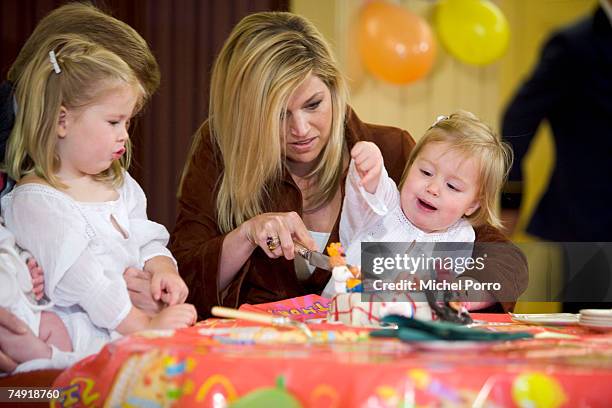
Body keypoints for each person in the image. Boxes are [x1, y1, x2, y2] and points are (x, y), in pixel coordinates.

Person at [171, 11, 528, 319]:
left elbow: (503, 260)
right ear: (246, 115)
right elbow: (182, 277)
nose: (301, 129)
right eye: (278, 114)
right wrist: (247, 235)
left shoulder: (391, 151)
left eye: (313, 104)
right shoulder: (220, 154)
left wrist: (457, 292)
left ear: (334, 91)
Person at [1, 34, 197, 364]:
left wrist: (163, 270)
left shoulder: (120, 182)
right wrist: (147, 326)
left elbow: (147, 238)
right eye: (113, 121)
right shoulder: (35, 201)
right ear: (62, 121)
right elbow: (88, 285)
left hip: (131, 328)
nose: (124, 134)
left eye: (128, 122)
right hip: (84, 343)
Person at [325, 112, 512, 309]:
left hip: (401, 327)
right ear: (410, 165)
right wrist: (369, 160)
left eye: (452, 186)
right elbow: (370, 187)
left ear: (473, 204)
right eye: (426, 172)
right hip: (340, 315)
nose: (433, 188)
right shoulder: (386, 204)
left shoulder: (460, 236)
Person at [501, 0, 612, 311]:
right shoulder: (574, 45)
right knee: (589, 330)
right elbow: (517, 120)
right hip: (591, 221)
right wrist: (510, 198)